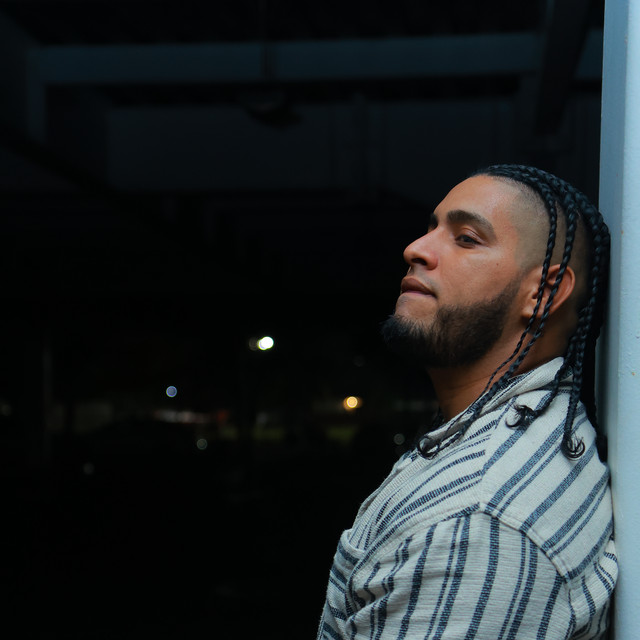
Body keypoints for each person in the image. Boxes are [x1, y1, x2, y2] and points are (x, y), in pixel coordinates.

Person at [317, 164, 617, 639]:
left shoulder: (476, 525)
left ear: (542, 294)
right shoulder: (509, 437)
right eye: (433, 227)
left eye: (466, 239)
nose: (416, 248)